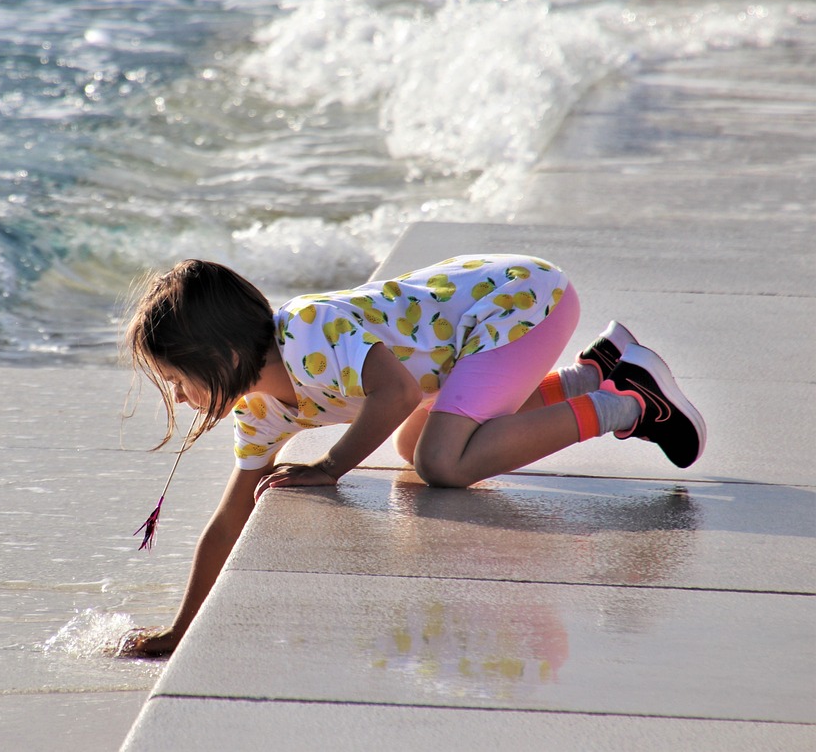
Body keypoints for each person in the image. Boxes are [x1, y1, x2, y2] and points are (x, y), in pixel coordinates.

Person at [117, 255, 705, 657]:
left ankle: (625, 405)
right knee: (408, 445)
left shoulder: (304, 331)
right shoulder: (261, 408)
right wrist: (180, 629)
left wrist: (329, 468)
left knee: (441, 463)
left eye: (176, 378)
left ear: (218, 355)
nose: (176, 395)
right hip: (479, 328)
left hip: (520, 301)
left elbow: (396, 392)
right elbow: (229, 521)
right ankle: (590, 374)